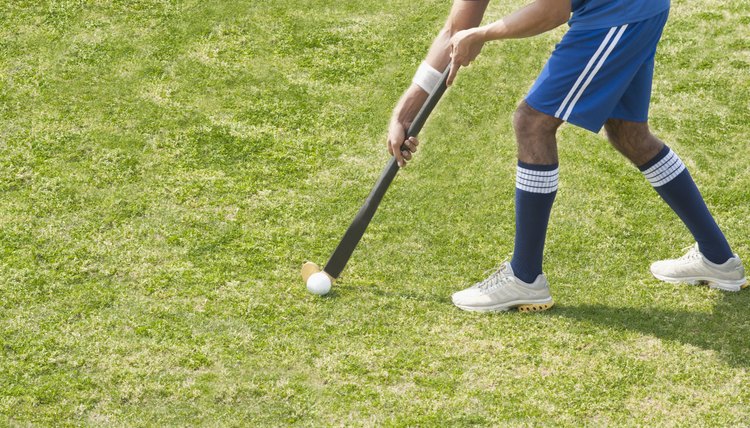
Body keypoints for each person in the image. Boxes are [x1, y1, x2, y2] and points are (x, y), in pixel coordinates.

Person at [387, 0, 747, 312]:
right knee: (628, 133)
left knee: (532, 123)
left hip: (617, 11)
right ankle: (718, 258)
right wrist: (406, 111)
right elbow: (456, 27)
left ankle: (525, 276)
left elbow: (551, 10)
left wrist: (485, 34)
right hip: (634, 8)